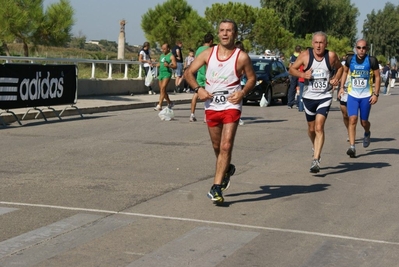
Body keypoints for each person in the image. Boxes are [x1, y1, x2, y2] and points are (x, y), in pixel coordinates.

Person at [185, 19, 256, 204]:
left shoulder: (241, 57)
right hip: (211, 105)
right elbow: (188, 73)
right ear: (218, 34)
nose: (225, 34)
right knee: (217, 147)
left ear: (235, 34)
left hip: (231, 105)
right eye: (222, 30)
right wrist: (198, 89)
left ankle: (216, 187)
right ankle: (226, 169)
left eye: (229, 31)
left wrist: (242, 92)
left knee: (226, 146)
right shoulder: (209, 54)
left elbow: (251, 79)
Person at [289, 31, 343, 173]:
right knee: (311, 129)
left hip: (324, 96)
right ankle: (315, 146)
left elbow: (340, 68)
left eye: (321, 43)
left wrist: (336, 79)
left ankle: (315, 159)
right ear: (312, 43)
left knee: (319, 127)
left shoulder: (330, 56)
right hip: (308, 97)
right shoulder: (305, 56)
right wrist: (302, 74)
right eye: (316, 42)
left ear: (326, 44)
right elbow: (291, 69)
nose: (319, 46)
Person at [338, 39, 380, 158]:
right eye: (359, 48)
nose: (361, 50)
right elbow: (345, 72)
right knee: (352, 119)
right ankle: (352, 147)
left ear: (366, 49)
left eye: (364, 48)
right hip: (352, 95)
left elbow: (377, 77)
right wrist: (342, 87)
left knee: (364, 121)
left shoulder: (371, 60)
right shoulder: (350, 59)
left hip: (366, 96)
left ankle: (367, 133)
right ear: (356, 48)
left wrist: (376, 94)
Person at [189, 33, 214, 122]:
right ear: (211, 41)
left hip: (199, 74)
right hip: (208, 75)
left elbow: (195, 61)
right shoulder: (211, 50)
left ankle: (192, 114)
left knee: (196, 94)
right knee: (209, 96)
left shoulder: (199, 49)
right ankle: (206, 116)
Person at [337, 51, 355, 142]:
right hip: (344, 91)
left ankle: (351, 132)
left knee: (352, 116)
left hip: (354, 92)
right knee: (345, 114)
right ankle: (348, 130)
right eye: (349, 56)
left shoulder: (357, 65)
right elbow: (338, 74)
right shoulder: (343, 65)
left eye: (352, 56)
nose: (350, 58)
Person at [154, 43, 177, 111]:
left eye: (164, 49)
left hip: (167, 73)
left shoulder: (171, 56)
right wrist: (155, 65)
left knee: (163, 88)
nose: (163, 50)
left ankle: (159, 105)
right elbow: (160, 63)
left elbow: (175, 66)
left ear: (168, 49)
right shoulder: (161, 55)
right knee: (162, 89)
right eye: (162, 49)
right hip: (160, 73)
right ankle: (170, 102)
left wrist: (169, 65)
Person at [235, 40, 246, 126]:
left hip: (240, 81)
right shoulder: (237, 56)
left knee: (238, 100)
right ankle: (237, 117)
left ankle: (238, 117)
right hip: (235, 81)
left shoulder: (242, 57)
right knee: (236, 100)